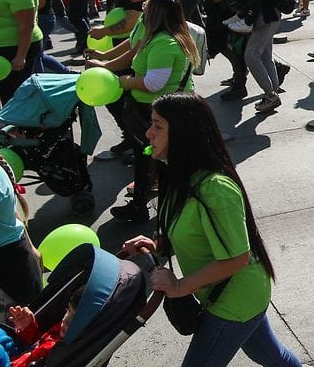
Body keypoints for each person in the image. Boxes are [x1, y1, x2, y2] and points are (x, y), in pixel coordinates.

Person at [120, 93, 299, 367]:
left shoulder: (215, 189)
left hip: (236, 299)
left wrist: (179, 286)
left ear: (183, 134)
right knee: (272, 356)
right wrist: (158, 244)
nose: (148, 133)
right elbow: (189, 229)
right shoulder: (177, 176)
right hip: (232, 295)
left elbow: (236, 258)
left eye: (157, 125)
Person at [93, 0, 199, 223]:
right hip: (156, 109)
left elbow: (153, 84)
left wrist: (125, 82)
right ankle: (153, 203)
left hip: (159, 110)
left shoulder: (164, 43)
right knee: (154, 158)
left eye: (145, 7)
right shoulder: (160, 37)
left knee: (153, 158)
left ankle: (150, 207)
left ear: (156, 14)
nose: (142, 11)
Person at [0, 143, 40, 322]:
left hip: (3, 269)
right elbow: (14, 217)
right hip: (14, 257)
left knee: (10, 334)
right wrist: (33, 248)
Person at [232, 0, 285, 113]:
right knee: (265, 55)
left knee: (251, 55)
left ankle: (270, 94)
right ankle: (273, 91)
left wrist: (252, 7)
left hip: (266, 17)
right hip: (268, 16)